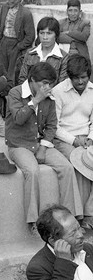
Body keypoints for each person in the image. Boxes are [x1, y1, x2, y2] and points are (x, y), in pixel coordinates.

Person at [6, 62, 83, 234]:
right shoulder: (16, 93)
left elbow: (51, 126)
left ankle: (69, 218)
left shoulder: (49, 97)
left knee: (67, 167)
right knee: (32, 171)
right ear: (32, 80)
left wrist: (43, 147)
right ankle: (33, 220)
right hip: (19, 144)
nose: (47, 87)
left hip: (41, 143)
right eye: (44, 83)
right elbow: (18, 119)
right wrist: (35, 100)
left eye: (50, 84)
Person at [53, 55, 93, 228]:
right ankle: (81, 216)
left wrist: (90, 138)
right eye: (76, 78)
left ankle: (90, 211)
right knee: (81, 165)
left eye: (83, 77)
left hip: (88, 138)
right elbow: (53, 125)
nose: (80, 81)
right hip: (65, 139)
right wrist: (74, 140)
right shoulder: (58, 91)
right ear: (69, 76)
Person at [0, 0, 35, 83]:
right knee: (0, 69)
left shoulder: (26, 13)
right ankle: (0, 92)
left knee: (13, 73)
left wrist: (18, 47)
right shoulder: (4, 8)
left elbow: (30, 37)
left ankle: (11, 95)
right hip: (3, 42)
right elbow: (0, 25)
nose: (8, 1)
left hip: (16, 45)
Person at [18, 17, 69, 85]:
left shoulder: (64, 57)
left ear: (56, 35)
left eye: (49, 33)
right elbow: (22, 79)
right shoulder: (30, 53)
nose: (45, 37)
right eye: (42, 33)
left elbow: (61, 84)